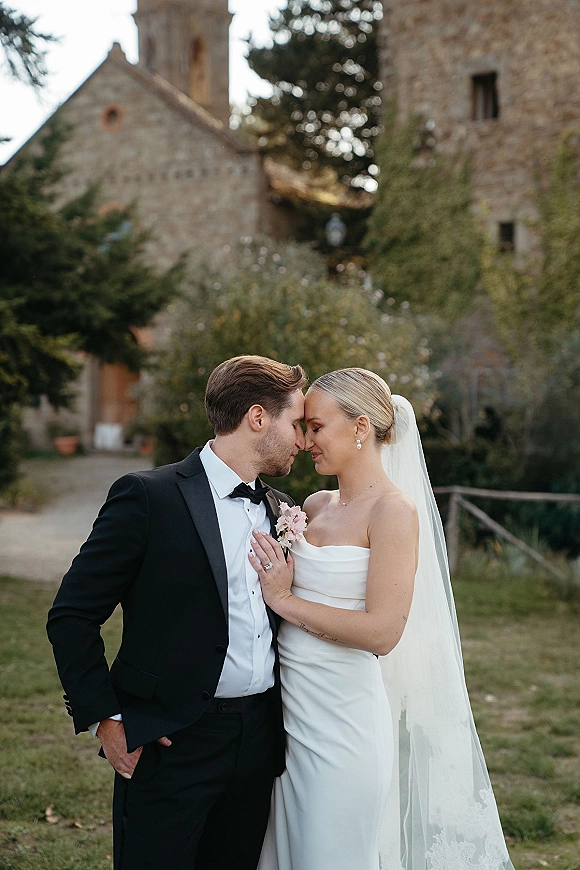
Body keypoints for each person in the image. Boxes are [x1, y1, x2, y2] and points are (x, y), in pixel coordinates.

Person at [46, 355, 307, 870]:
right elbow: (72, 614)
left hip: (258, 742)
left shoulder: (281, 508)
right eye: (296, 424)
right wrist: (107, 717)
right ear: (258, 418)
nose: (303, 440)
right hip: (170, 740)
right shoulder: (148, 497)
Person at [252, 368, 515, 870]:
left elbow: (383, 633)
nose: (305, 441)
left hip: (342, 725)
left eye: (316, 427)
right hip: (286, 720)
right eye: (305, 427)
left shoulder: (394, 513)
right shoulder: (312, 505)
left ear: (360, 427)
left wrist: (285, 601)